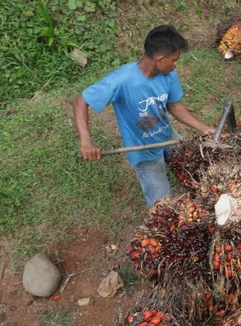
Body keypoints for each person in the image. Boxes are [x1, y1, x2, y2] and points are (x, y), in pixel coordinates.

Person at [74, 25, 214, 207]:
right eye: (174, 60)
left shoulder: (168, 74)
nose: (175, 64)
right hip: (143, 151)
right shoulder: (121, 81)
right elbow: (80, 101)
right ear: (160, 59)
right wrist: (86, 142)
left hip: (168, 137)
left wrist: (203, 128)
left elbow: (174, 105)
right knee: (164, 207)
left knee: (197, 171)